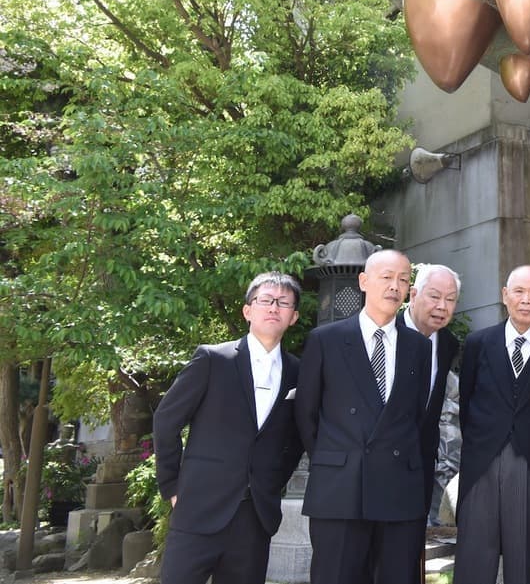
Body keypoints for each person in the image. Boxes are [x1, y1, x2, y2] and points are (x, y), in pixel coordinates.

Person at [153, 272, 305, 584]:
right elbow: (166, 420)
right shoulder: (213, 359)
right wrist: (171, 487)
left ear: (294, 317)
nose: (274, 307)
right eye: (266, 300)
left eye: (283, 303)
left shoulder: (298, 372)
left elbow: (298, 437)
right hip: (197, 506)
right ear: (248, 311)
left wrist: (272, 480)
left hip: (255, 516)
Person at [296, 248, 431, 584]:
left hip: (399, 486)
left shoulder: (419, 346)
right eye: (386, 277)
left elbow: (417, 416)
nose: (394, 286)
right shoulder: (326, 339)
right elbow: (306, 414)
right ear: (363, 281)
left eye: (403, 279)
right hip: (340, 487)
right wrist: (337, 458)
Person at [454, 265, 530, 584]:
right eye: (519, 291)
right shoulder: (478, 342)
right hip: (481, 460)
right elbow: (467, 398)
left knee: (522, 558)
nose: (526, 300)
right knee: (473, 556)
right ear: (505, 296)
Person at [404, 262, 462, 522]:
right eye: (435, 296)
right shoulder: (386, 333)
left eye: (450, 299)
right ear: (414, 295)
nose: (442, 306)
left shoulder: (448, 343)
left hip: (423, 465)